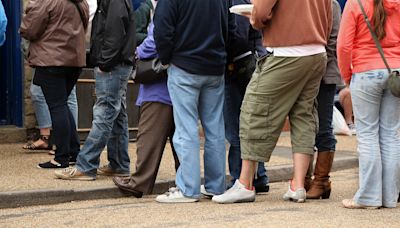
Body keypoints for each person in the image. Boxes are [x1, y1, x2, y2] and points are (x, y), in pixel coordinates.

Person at [213, 0, 332, 204]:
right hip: (316, 52)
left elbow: (260, 13)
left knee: (254, 109)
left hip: (286, 53)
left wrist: (255, 19)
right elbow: (329, 18)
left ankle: (245, 183)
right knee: (303, 115)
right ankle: (299, 185)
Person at [153, 0, 233, 203]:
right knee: (215, 129)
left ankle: (188, 188)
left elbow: (162, 28)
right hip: (215, 66)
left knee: (186, 128)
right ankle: (216, 186)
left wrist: (166, 58)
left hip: (184, 65)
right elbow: (230, 27)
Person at [55, 0, 136, 180]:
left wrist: (104, 63)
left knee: (105, 113)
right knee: (117, 116)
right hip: (117, 64)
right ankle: (119, 164)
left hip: (113, 66)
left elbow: (115, 31)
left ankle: (86, 165)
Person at [337, 0, 400, 209]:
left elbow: (344, 45)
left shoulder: (356, 3)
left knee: (367, 135)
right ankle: (390, 197)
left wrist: (347, 76)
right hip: (396, 73)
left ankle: (369, 197)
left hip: (365, 71)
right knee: (391, 135)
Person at [112, 21, 180, 198]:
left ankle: (140, 182)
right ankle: (186, 182)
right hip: (179, 84)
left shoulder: (166, 7)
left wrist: (138, 51)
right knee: (180, 139)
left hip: (158, 87)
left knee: (148, 137)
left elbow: (156, 40)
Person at [20, 0, 89, 168]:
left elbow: (30, 29)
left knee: (57, 107)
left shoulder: (48, 1)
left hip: (51, 60)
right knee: (62, 106)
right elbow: (85, 26)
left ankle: (61, 157)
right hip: (74, 60)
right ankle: (73, 153)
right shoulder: (81, 2)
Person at [222, 0, 269, 194]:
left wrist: (222, 52)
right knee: (250, 123)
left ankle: (239, 177)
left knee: (236, 126)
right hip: (252, 63)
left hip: (238, 68)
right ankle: (259, 177)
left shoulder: (237, 3)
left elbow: (238, 38)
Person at [306, 0, 342, 199]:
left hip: (325, 75)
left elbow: (334, 42)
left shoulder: (332, 4)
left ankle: (321, 180)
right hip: (305, 73)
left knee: (323, 127)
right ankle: (305, 178)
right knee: (304, 125)